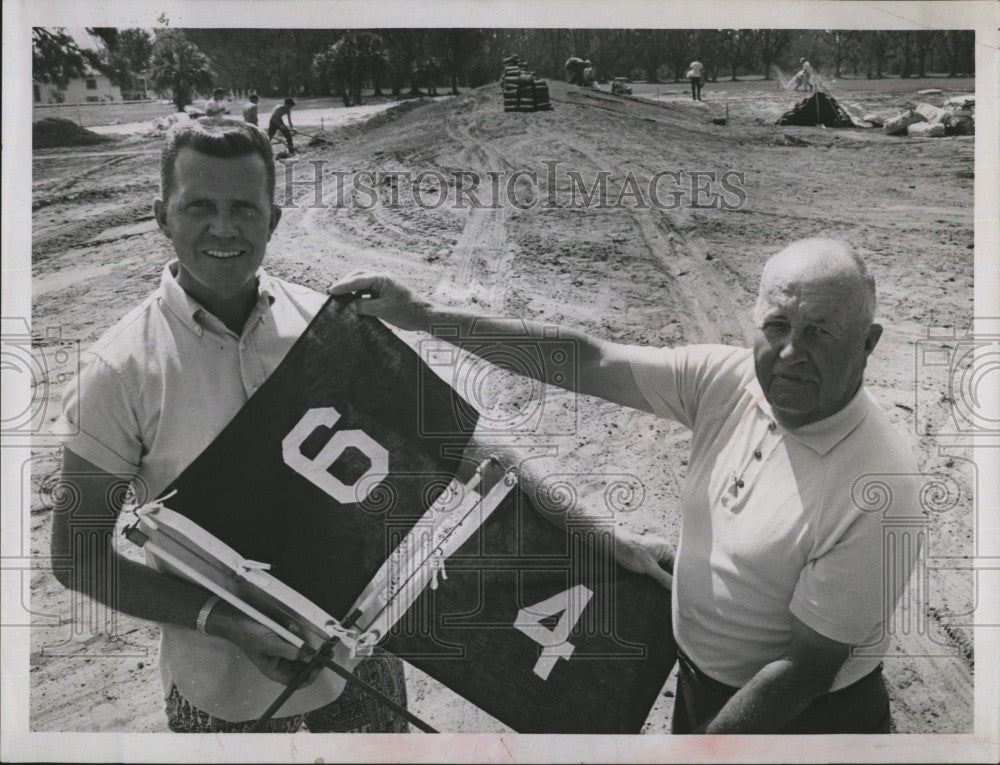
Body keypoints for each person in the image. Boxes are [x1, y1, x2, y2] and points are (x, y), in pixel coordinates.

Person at [331, 238, 919, 734]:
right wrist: (424, 316)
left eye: (821, 333)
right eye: (777, 325)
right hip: (703, 687)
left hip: (804, 721)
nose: (792, 352)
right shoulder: (729, 381)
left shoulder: (879, 486)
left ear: (868, 343)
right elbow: (582, 359)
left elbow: (802, 671)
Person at [51, 120, 408, 733]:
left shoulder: (327, 328)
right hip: (220, 693)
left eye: (244, 207)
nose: (223, 227)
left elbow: (412, 468)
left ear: (274, 217)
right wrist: (223, 620)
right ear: (162, 215)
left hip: (361, 663)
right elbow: (77, 558)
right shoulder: (117, 371)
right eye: (200, 207)